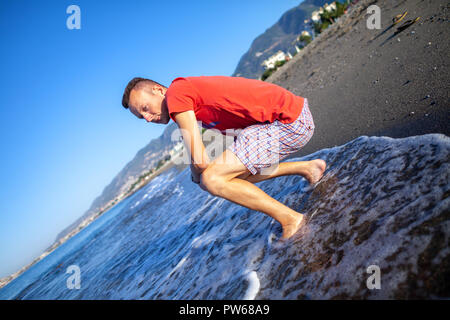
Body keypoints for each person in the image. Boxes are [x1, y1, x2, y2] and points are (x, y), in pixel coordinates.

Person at [121, 75, 326, 239]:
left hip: (289, 122)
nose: (147, 118)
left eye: (145, 109)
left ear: (158, 90)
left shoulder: (177, 93)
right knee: (217, 178)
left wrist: (196, 174)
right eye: (141, 117)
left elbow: (200, 161)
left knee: (211, 179)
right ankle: (308, 168)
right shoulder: (190, 101)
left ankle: (291, 219)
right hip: (288, 121)